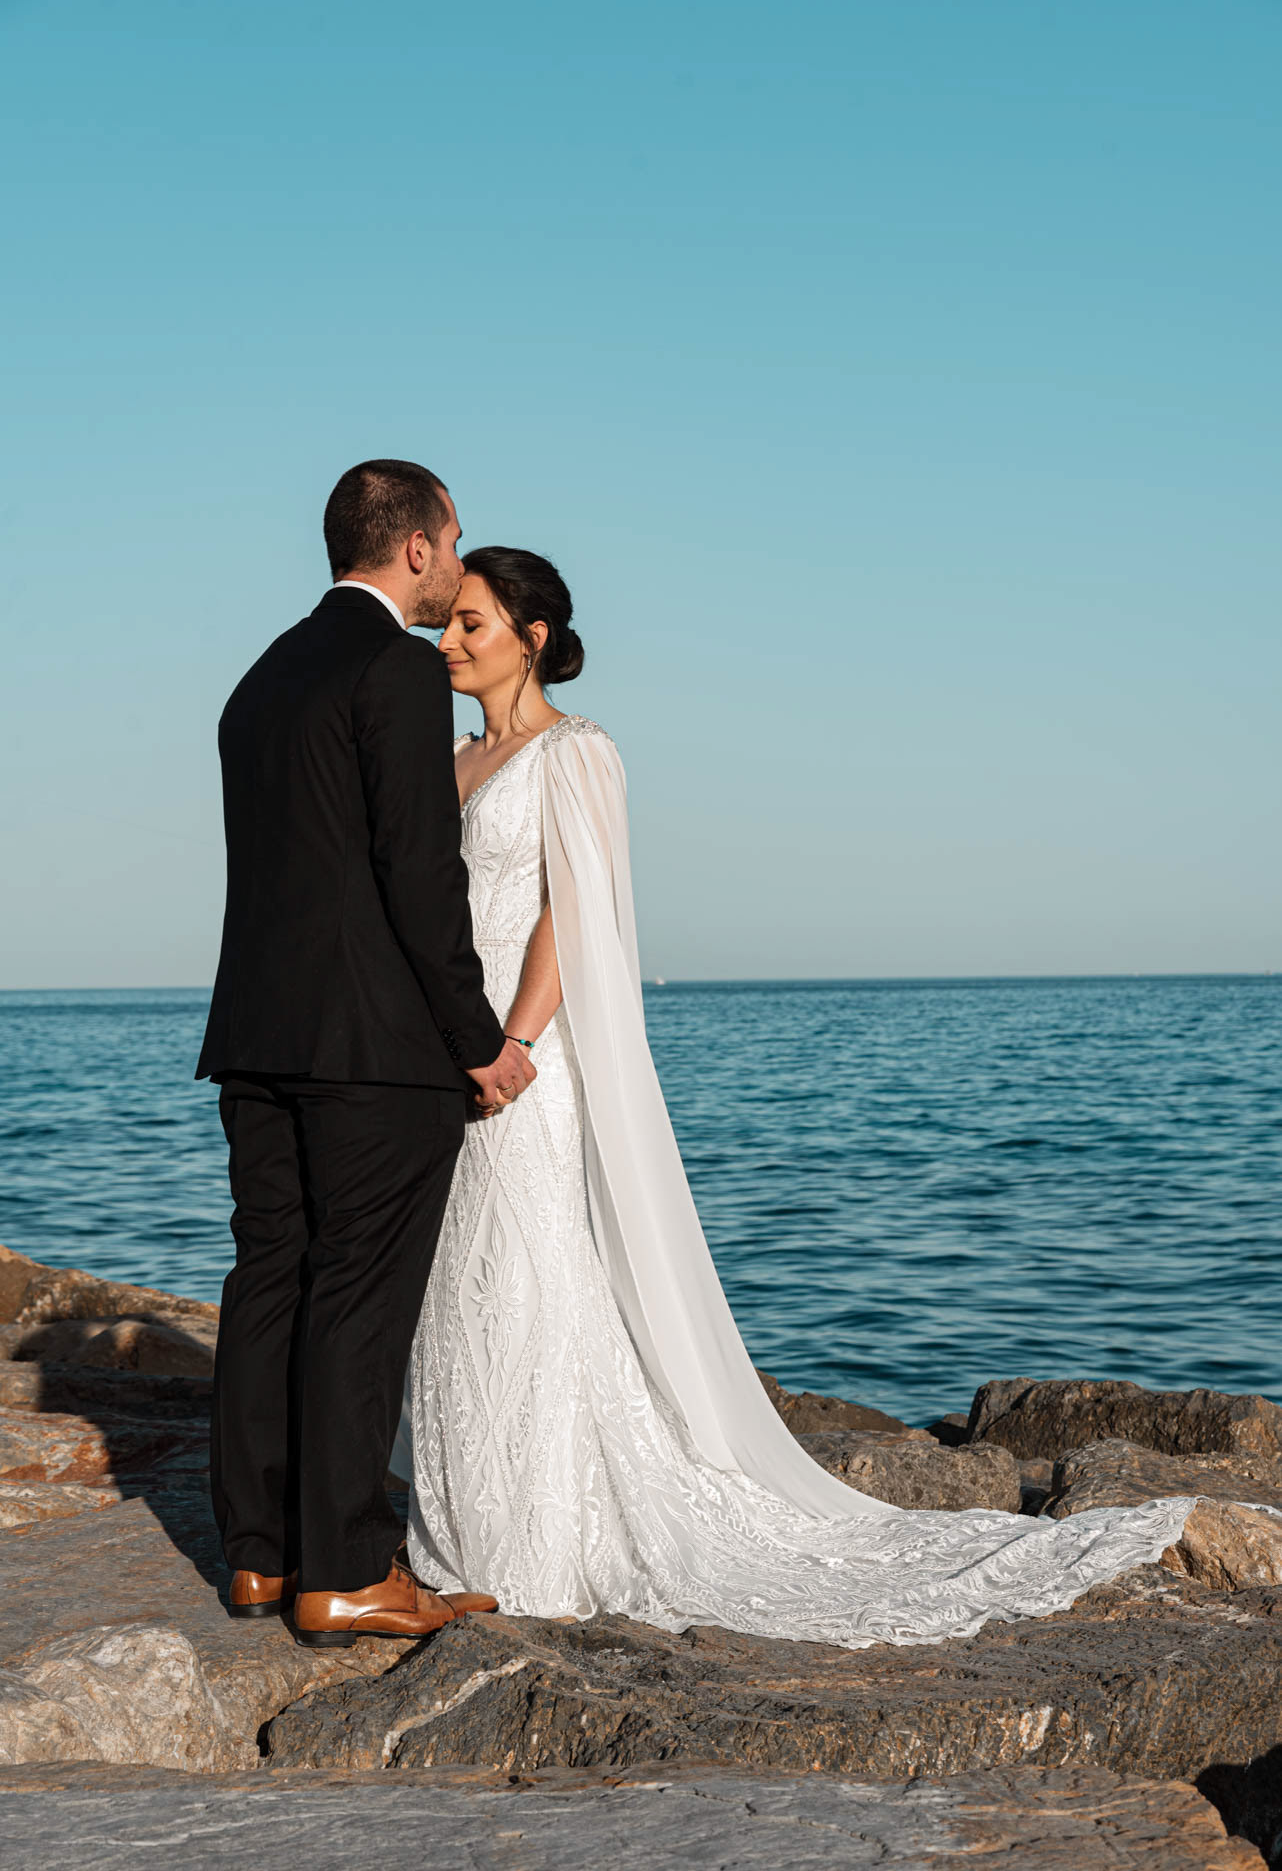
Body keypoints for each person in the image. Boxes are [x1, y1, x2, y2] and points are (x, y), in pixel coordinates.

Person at [397, 547, 1199, 1649]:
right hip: (440, 1050)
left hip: (519, 1055)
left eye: (470, 624)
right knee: (458, 1280)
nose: (446, 642)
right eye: (445, 625)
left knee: (529, 1275)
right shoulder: (449, 763)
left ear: (530, 637)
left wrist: (515, 1040)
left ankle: (534, 1541)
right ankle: (462, 1527)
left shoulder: (577, 755)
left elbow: (566, 915)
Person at [198, 461, 534, 1647]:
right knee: (356, 1294)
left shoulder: (261, 678)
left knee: (269, 1278)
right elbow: (414, 870)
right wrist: (478, 1040)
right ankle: (342, 1566)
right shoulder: (393, 666)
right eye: (453, 545)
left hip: (255, 1034)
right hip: (373, 1050)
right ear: (419, 550)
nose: (454, 567)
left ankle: (256, 1556)